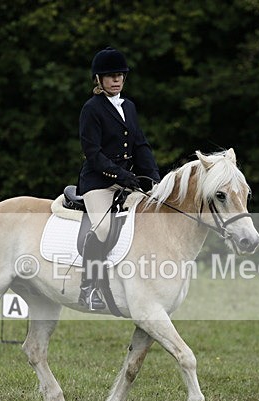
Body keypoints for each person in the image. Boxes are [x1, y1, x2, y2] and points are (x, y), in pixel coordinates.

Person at [77, 47, 161, 310]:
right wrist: (121, 175)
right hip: (98, 182)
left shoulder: (129, 107)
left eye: (120, 75)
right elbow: (93, 153)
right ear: (99, 80)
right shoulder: (91, 109)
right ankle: (88, 288)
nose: (116, 80)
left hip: (126, 182)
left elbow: (140, 146)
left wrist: (154, 179)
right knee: (102, 228)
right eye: (111, 76)